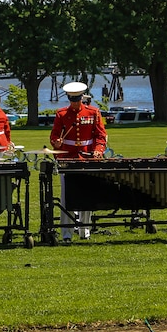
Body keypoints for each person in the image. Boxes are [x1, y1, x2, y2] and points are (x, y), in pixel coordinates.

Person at [49, 82, 108, 243]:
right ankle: (66, 234)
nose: (75, 103)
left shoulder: (93, 112)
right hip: (67, 159)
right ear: (68, 98)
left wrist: (98, 150)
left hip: (87, 158)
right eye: (72, 99)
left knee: (86, 194)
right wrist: (57, 143)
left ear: (82, 97)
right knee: (66, 197)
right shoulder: (61, 114)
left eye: (77, 99)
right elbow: (54, 136)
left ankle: (84, 230)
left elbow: (101, 136)